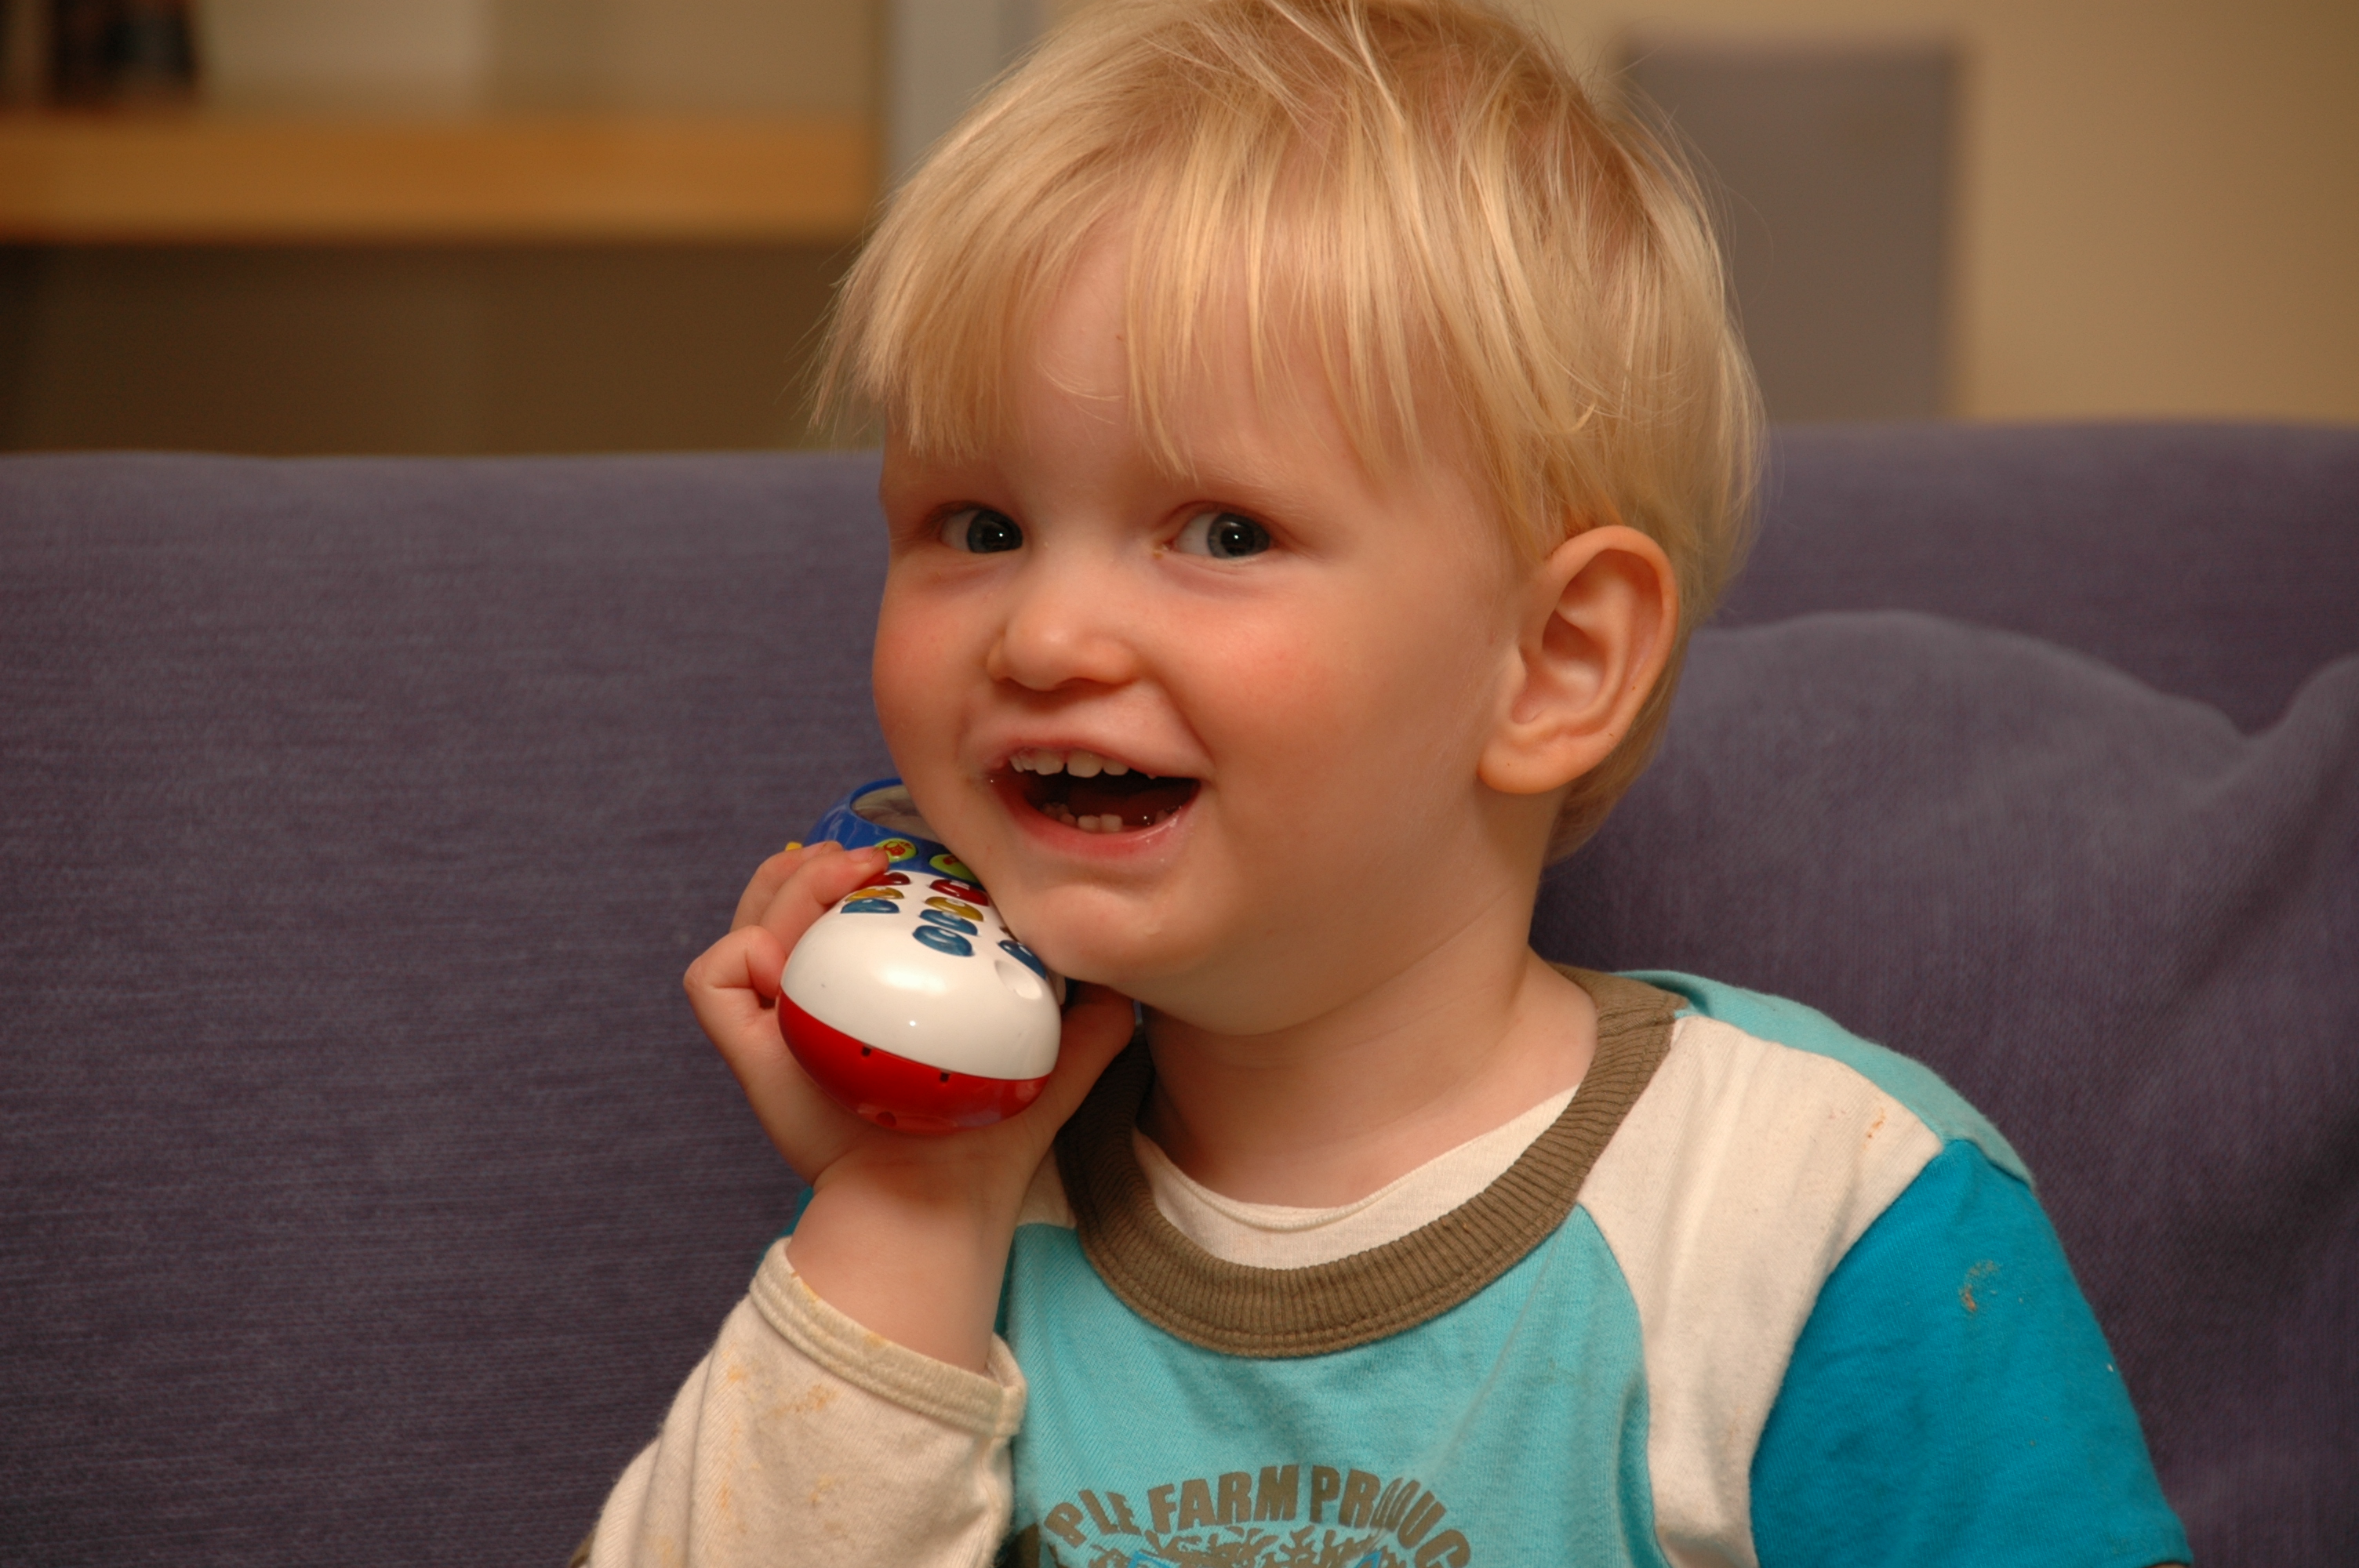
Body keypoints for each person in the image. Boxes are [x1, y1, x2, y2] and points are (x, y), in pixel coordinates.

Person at [584, 2, 2190, 1563]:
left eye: (1224, 532)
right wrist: (909, 1205)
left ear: (1551, 661)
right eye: (980, 527)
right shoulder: (950, 1225)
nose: (1045, 634)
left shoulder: (1816, 1213)